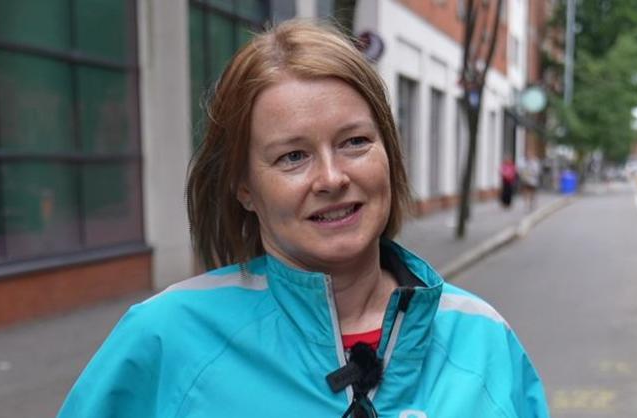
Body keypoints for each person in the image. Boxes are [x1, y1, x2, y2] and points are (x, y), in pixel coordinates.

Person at [58, 21, 549, 418]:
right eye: (293, 156)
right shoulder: (166, 338)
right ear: (244, 187)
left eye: (355, 141)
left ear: (389, 156)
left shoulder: (481, 339)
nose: (332, 177)